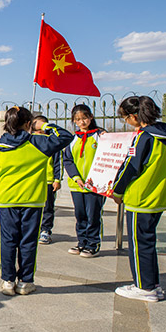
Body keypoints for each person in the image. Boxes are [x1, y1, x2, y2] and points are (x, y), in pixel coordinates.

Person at [0, 106, 72, 296]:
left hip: (7, 199)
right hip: (32, 200)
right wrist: (45, 125)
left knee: (8, 241)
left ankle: (8, 281)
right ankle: (25, 281)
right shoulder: (38, 142)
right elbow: (66, 136)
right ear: (28, 124)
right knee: (28, 241)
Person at [111, 96, 166, 303]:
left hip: (140, 197)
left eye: (125, 118)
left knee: (139, 244)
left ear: (133, 116)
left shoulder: (144, 137)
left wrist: (117, 190)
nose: (125, 122)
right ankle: (152, 283)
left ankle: (144, 287)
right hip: (159, 195)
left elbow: (130, 167)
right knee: (148, 242)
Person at [63, 104, 106, 258]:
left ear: (91, 117)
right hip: (77, 184)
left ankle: (93, 243)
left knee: (93, 215)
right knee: (80, 215)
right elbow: (67, 160)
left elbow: (107, 157)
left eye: (84, 118)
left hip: (95, 184)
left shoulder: (100, 136)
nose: (81, 122)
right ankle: (82, 242)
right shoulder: (73, 138)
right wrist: (76, 177)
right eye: (78, 120)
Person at [31, 116, 62, 245]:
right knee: (33, 208)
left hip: (48, 180)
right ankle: (34, 230)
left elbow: (57, 162)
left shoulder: (51, 142)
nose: (40, 130)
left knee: (48, 207)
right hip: (33, 180)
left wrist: (57, 179)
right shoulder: (29, 141)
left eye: (43, 127)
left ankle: (45, 230)